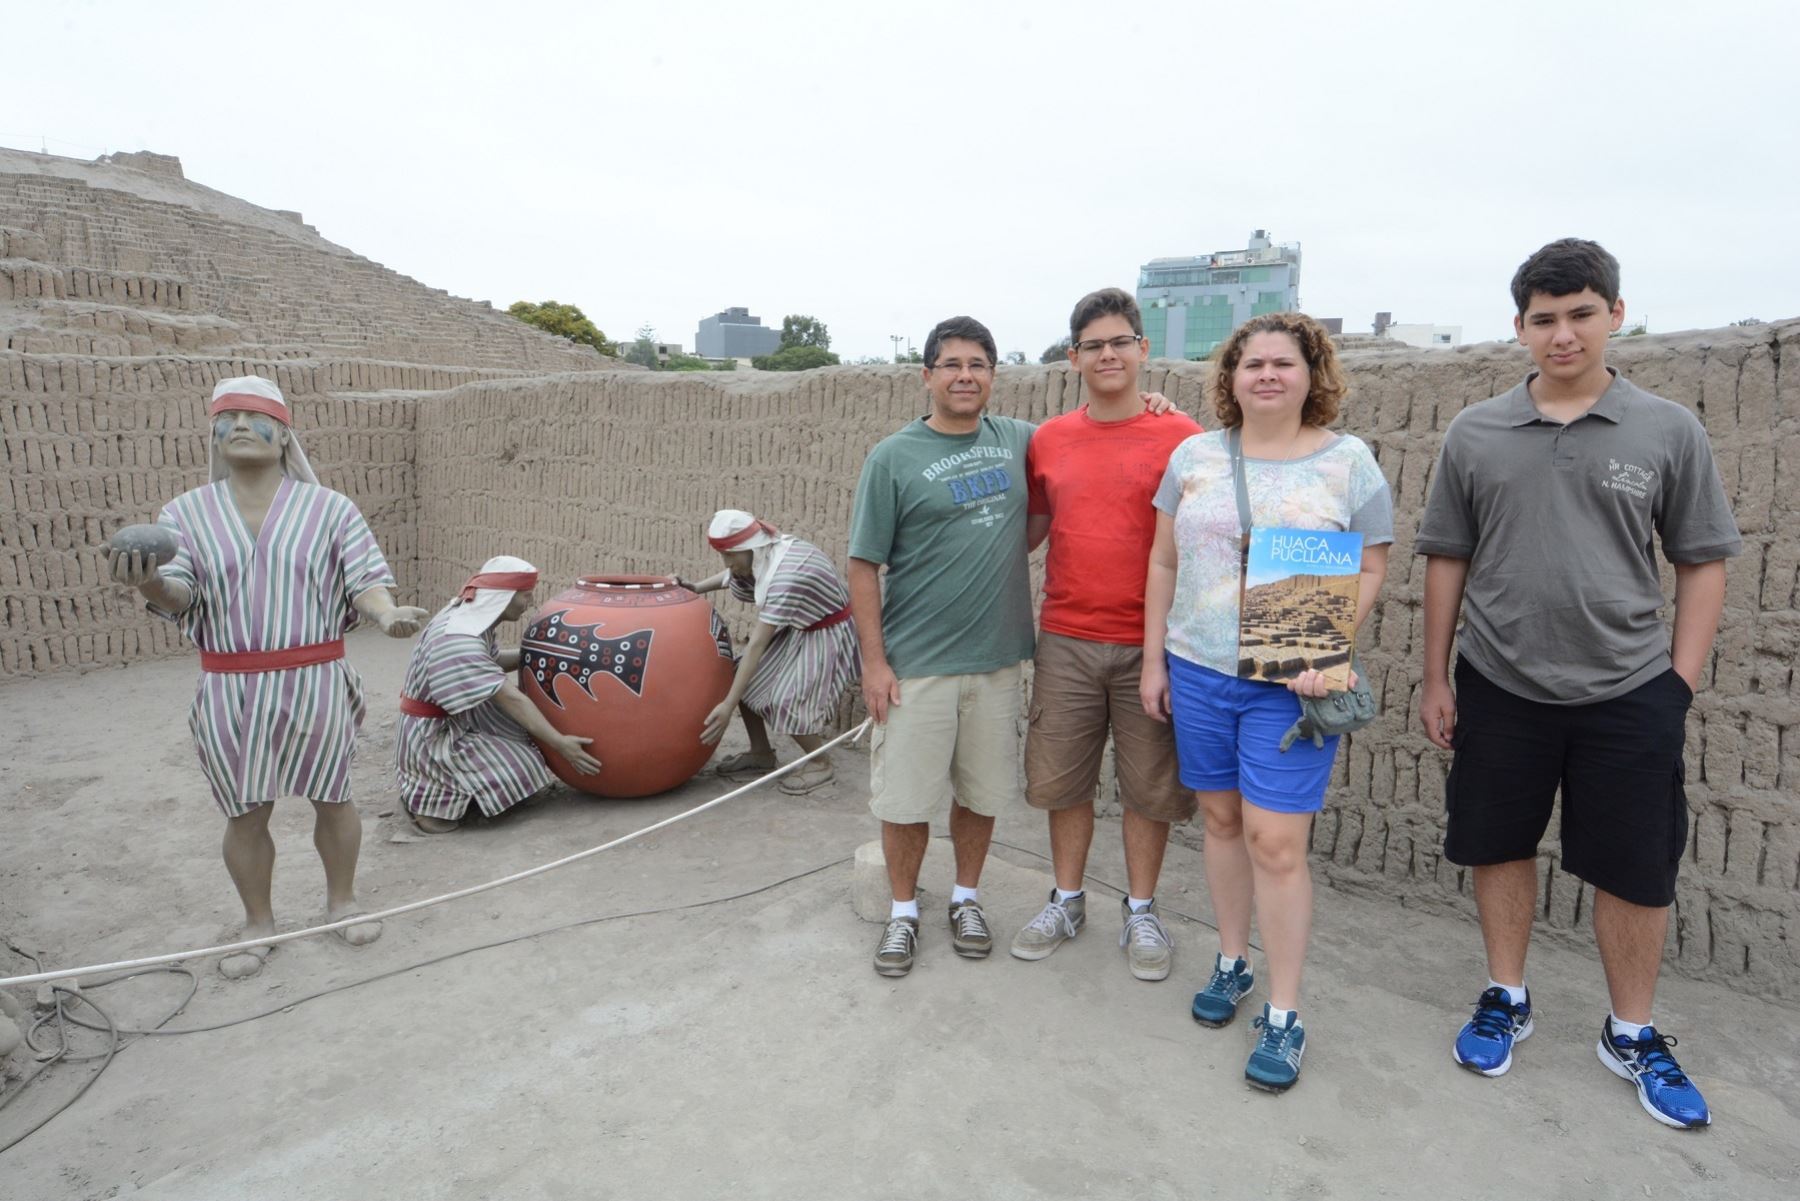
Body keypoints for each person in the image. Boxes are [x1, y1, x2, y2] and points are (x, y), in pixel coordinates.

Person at [1417, 239, 1738, 1129]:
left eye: (1581, 314)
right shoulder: (1475, 431)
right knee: (1497, 843)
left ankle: (1631, 1032)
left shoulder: (1666, 429)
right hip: (1500, 681)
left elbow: (1701, 560)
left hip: (1629, 689)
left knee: (1636, 870)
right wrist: (1436, 673)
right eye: (1545, 319)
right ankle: (1505, 994)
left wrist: (1677, 682)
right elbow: (1448, 554)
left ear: (1615, 316)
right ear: (1519, 327)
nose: (1563, 335)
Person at [1142, 313, 1392, 1090]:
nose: (1268, 375)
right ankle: (1232, 960)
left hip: (1290, 686)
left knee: (1276, 844)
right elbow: (1161, 561)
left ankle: (1284, 1011)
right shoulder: (1193, 456)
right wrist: (1155, 661)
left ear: (1313, 374)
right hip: (1200, 669)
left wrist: (1325, 650)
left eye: (1285, 362)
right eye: (1253, 363)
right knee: (1219, 820)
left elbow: (1372, 569)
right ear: (1232, 375)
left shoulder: (1349, 464)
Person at [107, 376, 429, 979]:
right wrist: (147, 581)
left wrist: (386, 614)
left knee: (333, 797)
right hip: (230, 686)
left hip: (317, 678)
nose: (240, 428)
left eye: (256, 418)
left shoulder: (330, 508)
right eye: (228, 419)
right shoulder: (184, 514)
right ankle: (259, 922)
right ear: (213, 434)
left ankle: (342, 903)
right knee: (245, 812)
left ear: (284, 434)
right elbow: (180, 595)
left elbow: (364, 579)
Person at [1010, 288, 1203, 982]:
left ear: (1144, 350)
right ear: (1074, 358)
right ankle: (1066, 899)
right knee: (1064, 780)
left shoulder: (1182, 436)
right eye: (1094, 344)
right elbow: (1028, 528)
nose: (1109, 354)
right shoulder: (1049, 440)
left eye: (1121, 341)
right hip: (1064, 633)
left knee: (1150, 786)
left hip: (1154, 644)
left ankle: (1142, 908)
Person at [848, 316, 1033, 977]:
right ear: (926, 375)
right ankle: (903, 912)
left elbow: (1087, 449)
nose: (965, 375)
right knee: (904, 801)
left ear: (993, 375)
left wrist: (1152, 405)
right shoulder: (893, 457)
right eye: (951, 363)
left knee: (981, 795)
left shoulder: (1016, 440)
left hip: (997, 659)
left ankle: (965, 897)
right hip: (916, 663)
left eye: (978, 363)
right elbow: (863, 564)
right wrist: (874, 661)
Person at [396, 555, 602, 833]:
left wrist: (538, 653)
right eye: (526, 596)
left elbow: (490, 663)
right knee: (524, 766)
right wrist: (560, 743)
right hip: (432, 734)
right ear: (503, 597)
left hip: (452, 716)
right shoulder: (460, 640)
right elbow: (511, 699)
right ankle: (429, 806)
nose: (529, 603)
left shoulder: (470, 619)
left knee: (521, 748)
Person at [682, 509, 862, 795]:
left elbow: (757, 643)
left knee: (789, 700)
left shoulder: (787, 576)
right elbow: (732, 574)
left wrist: (728, 705)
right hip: (801, 624)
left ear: (750, 548)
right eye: (724, 555)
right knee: (743, 678)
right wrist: (696, 588)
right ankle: (761, 753)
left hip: (827, 632)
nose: (727, 562)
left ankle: (819, 762)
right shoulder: (763, 553)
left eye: (731, 555)